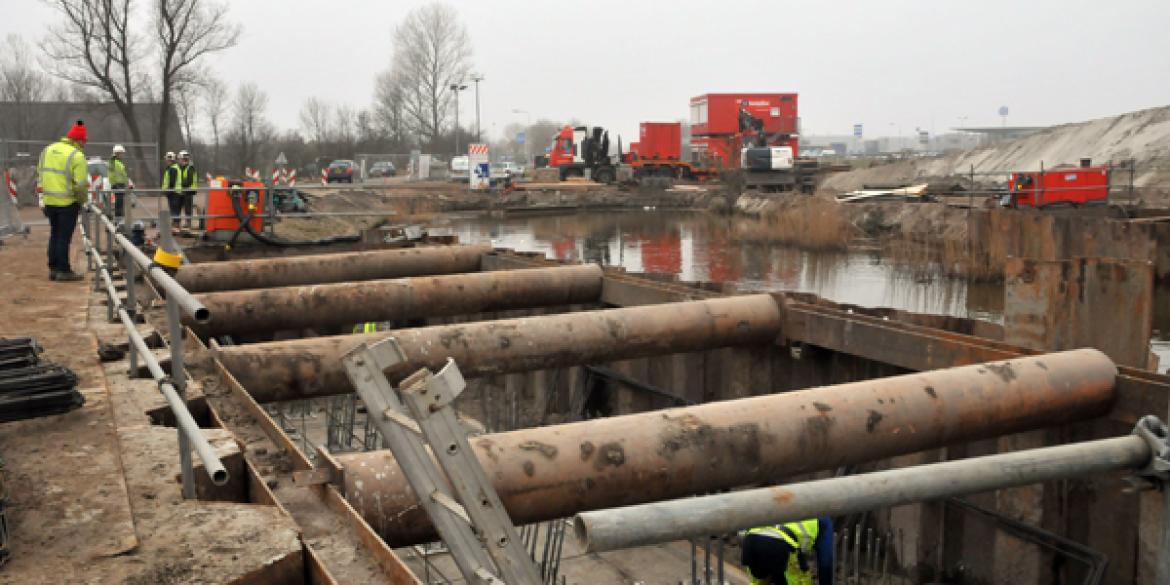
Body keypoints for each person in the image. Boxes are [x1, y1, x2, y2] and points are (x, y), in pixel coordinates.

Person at [36, 120, 90, 281]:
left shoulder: (47, 150)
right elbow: (80, 185)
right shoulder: (77, 156)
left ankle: (53, 268)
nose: (84, 144)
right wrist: (83, 201)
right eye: (84, 141)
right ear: (78, 140)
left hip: (50, 201)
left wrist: (42, 198)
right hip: (67, 203)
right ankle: (63, 270)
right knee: (63, 238)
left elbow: (40, 175)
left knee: (55, 234)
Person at [741, 517, 834, 585]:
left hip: (751, 541)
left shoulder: (786, 500)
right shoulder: (824, 521)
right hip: (780, 545)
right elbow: (826, 563)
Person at [109, 144, 129, 219]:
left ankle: (120, 218)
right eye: (121, 153)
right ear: (117, 153)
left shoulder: (117, 162)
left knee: (120, 203)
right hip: (118, 185)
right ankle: (119, 219)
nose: (122, 155)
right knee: (119, 203)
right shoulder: (114, 162)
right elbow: (112, 175)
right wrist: (115, 184)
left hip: (120, 185)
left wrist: (127, 183)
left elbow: (123, 175)